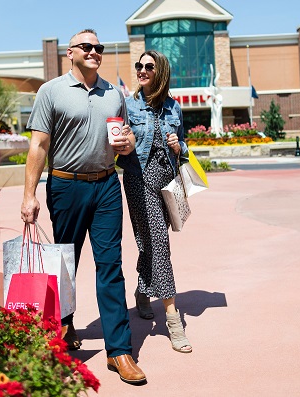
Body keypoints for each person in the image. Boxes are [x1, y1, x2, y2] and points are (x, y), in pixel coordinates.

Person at [20, 28, 146, 385]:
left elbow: (127, 136)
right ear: (70, 53)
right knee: (66, 264)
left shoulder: (114, 93)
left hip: (107, 184)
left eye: (98, 47)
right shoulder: (51, 91)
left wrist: (127, 143)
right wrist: (29, 195)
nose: (94, 51)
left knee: (111, 266)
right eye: (87, 46)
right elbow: (39, 146)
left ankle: (119, 350)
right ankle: (63, 329)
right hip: (66, 186)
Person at [116, 50, 192, 353]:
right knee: (159, 242)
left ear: (161, 71)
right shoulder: (128, 105)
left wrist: (178, 145)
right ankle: (174, 320)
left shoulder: (174, 107)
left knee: (149, 243)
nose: (142, 70)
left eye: (149, 66)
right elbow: (120, 143)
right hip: (139, 179)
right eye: (139, 66)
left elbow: (185, 147)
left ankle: (142, 290)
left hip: (168, 180)